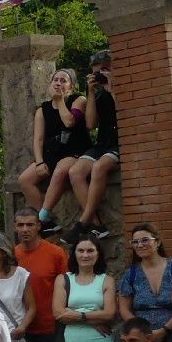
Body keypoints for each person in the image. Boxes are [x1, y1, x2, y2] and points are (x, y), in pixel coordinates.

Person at [14, 207, 71, 342]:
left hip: (51, 328)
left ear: (39, 226)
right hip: (22, 330)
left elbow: (68, 287)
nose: (25, 229)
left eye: (30, 224)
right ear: (15, 228)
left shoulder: (56, 253)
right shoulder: (11, 256)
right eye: (20, 225)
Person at [17, 68, 87, 229]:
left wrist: (60, 100)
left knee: (59, 172)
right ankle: (47, 222)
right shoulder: (43, 109)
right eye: (55, 80)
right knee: (25, 180)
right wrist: (40, 162)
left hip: (74, 150)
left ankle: (41, 218)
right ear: (50, 84)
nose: (58, 83)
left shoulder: (78, 100)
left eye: (63, 80)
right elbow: (38, 138)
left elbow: (69, 122)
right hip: (52, 153)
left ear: (71, 86)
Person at [66, 51, 119, 240]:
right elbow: (90, 124)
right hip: (102, 143)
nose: (100, 75)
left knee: (98, 167)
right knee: (75, 172)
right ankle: (97, 224)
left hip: (120, 142)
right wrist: (91, 91)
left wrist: (112, 88)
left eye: (104, 70)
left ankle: (83, 221)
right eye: (96, 72)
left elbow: (126, 114)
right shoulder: (98, 95)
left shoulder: (124, 88)